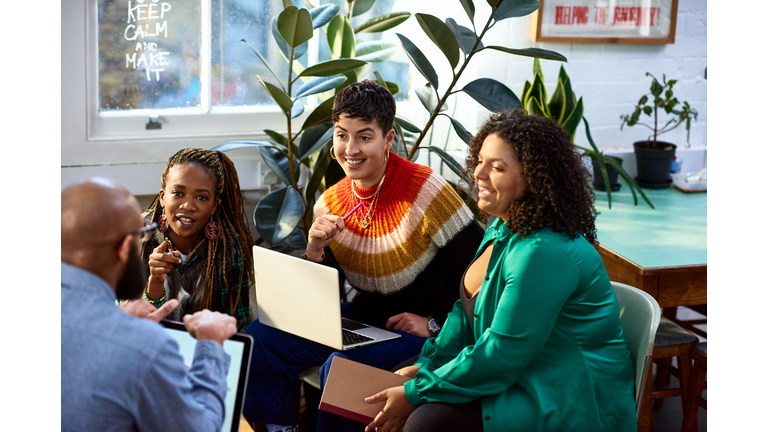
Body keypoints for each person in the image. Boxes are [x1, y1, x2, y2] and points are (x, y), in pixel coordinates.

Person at [364, 109, 638, 432]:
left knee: (425, 422)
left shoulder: (543, 251)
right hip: (523, 371)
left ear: (535, 177)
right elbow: (463, 318)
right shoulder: (502, 227)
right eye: (480, 160)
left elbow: (501, 355)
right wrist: (429, 365)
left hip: (565, 396)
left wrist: (420, 389)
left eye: (497, 167)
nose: (478, 173)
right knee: (394, 378)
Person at [242, 80, 485, 432]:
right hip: (365, 321)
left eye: (365, 136)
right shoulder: (330, 200)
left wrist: (435, 324)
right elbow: (329, 290)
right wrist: (315, 251)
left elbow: (482, 272)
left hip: (421, 331)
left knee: (343, 368)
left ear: (388, 139)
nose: (350, 149)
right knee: (263, 335)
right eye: (342, 135)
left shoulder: (427, 191)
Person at [61, 178, 239, 432]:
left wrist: (117, 319)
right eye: (141, 234)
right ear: (124, 247)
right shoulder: (146, 348)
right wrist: (210, 345)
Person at [141, 148, 254, 331]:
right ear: (162, 197)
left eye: (201, 197)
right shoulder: (137, 237)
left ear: (213, 206)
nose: (188, 206)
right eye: (178, 193)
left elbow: (236, 325)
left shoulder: (229, 249)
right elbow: (125, 322)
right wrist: (155, 282)